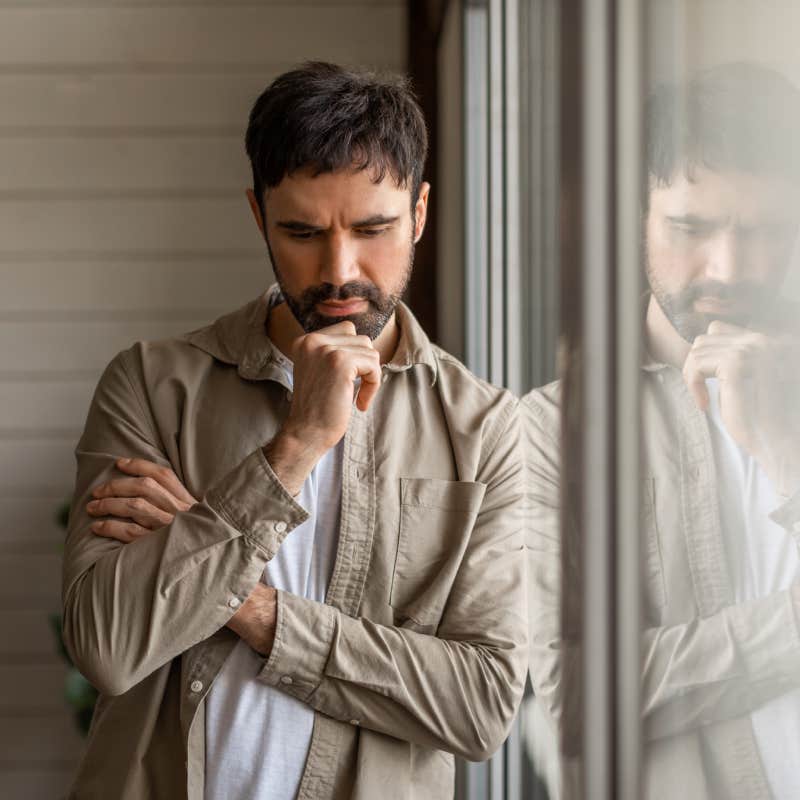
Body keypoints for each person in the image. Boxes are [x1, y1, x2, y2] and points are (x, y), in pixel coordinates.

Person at [61, 62, 527, 799]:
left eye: (373, 229)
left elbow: (481, 707)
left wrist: (247, 603)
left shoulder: (487, 428)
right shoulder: (152, 385)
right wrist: (296, 445)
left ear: (421, 213)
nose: (339, 271)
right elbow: (108, 649)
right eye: (303, 232)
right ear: (258, 216)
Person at [525, 62, 800, 799]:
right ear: (634, 216)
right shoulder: (552, 432)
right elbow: (571, 692)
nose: (729, 267)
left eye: (767, 231)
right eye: (690, 227)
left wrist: (784, 451)